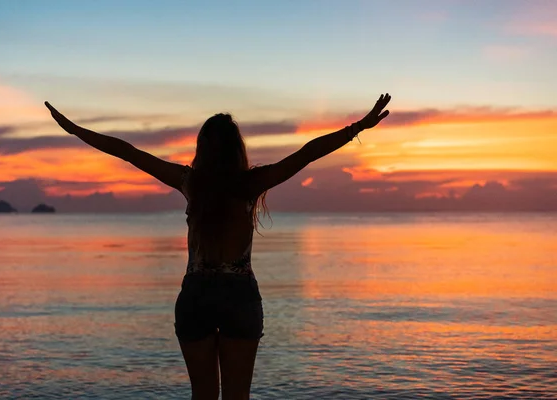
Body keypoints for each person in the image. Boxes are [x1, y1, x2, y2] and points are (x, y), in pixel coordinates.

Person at [45, 93, 391, 400]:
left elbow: (129, 152)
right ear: (236, 148)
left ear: (203, 148)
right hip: (239, 296)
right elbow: (307, 154)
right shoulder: (251, 183)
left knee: (203, 395)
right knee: (238, 396)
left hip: (196, 295)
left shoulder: (190, 182)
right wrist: (358, 127)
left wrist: (76, 130)